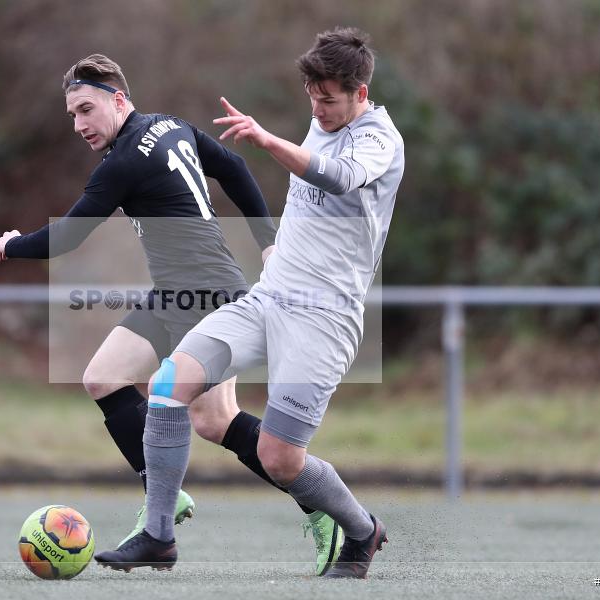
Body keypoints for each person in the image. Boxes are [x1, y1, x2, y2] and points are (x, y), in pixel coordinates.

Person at [0, 54, 342, 573]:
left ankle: (323, 511)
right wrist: (266, 239)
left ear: (119, 99)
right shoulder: (170, 126)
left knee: (215, 422)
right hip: (173, 294)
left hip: (208, 296)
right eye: (72, 116)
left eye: (87, 109)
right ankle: (163, 496)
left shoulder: (123, 162)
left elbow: (67, 236)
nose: (81, 125)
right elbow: (235, 167)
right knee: (103, 377)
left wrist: (14, 244)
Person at [95, 28, 404, 580]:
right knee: (169, 386)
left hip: (324, 318)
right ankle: (158, 536)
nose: (318, 109)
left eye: (329, 99)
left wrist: (264, 140)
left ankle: (361, 530)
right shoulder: (324, 116)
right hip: (267, 299)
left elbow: (334, 177)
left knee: (279, 458)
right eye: (312, 96)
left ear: (361, 93)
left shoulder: (380, 140)